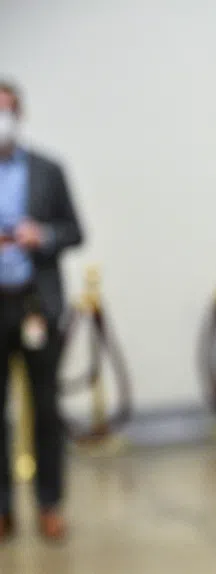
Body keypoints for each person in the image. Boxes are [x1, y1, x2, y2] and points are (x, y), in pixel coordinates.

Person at [0, 81, 84, 543]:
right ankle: (2, 509)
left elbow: (75, 230)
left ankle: (49, 504)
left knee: (45, 408)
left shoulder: (47, 170)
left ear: (20, 115)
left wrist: (44, 235)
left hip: (35, 302)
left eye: (7, 110)